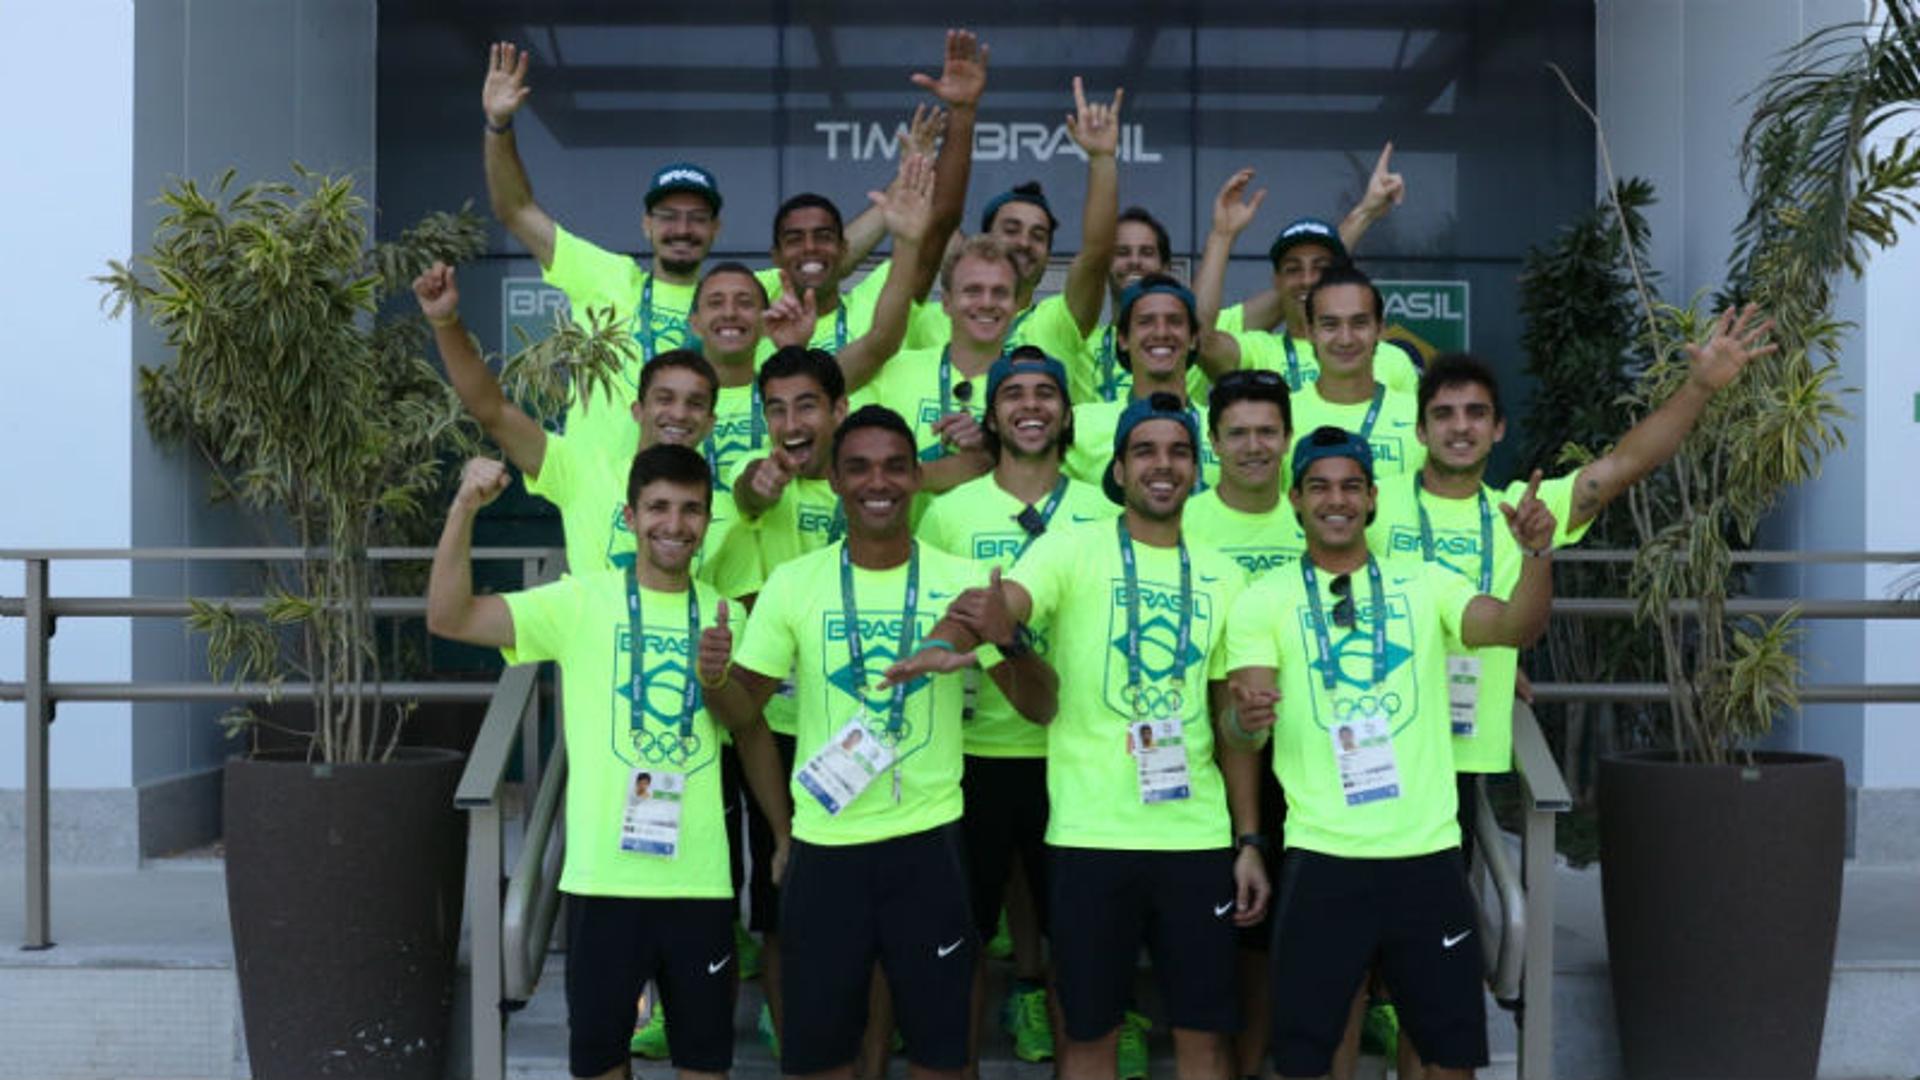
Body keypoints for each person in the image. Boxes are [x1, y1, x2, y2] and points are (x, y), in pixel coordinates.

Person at [890, 393, 1270, 1080]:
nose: (1163, 466)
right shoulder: (1072, 548)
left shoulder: (1226, 574)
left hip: (1195, 838)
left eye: (1178, 452)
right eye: (1145, 452)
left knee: (1203, 1038)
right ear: (1119, 470)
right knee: (1088, 1033)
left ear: (1196, 467)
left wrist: (1247, 835)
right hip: (1090, 838)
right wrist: (955, 641)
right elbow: (1004, 602)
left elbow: (1232, 728)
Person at [427, 447, 791, 1080]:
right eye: (657, 508)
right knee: (600, 1063)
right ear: (629, 516)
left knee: (705, 1063)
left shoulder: (728, 612)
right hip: (600, 882)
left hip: (700, 883)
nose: (673, 524)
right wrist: (463, 509)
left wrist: (784, 836)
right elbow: (450, 616)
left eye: (690, 510)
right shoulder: (579, 602)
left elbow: (749, 728)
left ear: (708, 520)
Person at [1223, 425, 1560, 1080]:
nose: (1336, 500)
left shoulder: (1425, 581)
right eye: (1319, 486)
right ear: (1295, 499)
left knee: (1450, 1055)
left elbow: (1513, 626)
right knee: (1305, 1059)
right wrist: (1242, 720)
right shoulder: (1263, 600)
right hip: (1323, 857)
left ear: (1374, 497)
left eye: (1351, 486)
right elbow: (1245, 732)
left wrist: (1537, 555)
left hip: (1425, 856)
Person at [703, 406, 989, 1080]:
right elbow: (745, 713)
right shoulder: (794, 584)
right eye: (857, 467)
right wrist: (712, 676)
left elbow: (1042, 702)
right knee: (818, 1058)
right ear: (833, 480)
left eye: (895, 465)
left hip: (931, 843)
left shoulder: (963, 580)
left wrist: (999, 639)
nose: (877, 482)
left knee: (942, 1057)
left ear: (918, 477)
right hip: (827, 850)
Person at [915, 348, 1117, 1066]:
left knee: (1078, 942)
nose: (1030, 406)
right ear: (992, 415)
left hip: (1076, 753)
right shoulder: (947, 513)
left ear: (1066, 413)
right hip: (972, 756)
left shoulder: (1102, 509)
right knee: (961, 936)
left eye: (1045, 394)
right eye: (1014, 396)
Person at [411, 262, 762, 596]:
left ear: (711, 422)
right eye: (665, 399)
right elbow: (493, 410)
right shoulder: (583, 473)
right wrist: (445, 322)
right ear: (638, 411)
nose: (679, 413)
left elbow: (743, 630)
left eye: (695, 404)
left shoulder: (727, 513)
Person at [863, 76, 1123, 495]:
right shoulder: (920, 333)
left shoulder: (1053, 325)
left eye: (1038, 235)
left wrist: (1102, 161)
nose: (1024, 242)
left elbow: (1095, 256)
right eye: (1012, 229)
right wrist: (959, 119)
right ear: (947, 300)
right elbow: (940, 222)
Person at [1195, 147, 1419, 392]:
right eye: (1293, 269)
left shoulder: (1392, 362)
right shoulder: (1259, 352)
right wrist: (1222, 236)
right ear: (1276, 281)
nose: (1307, 279)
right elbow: (1199, 341)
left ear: (1338, 277)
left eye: (1321, 268)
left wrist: (1366, 212)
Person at [1062, 275, 1225, 491]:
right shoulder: (1080, 425)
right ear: (1123, 339)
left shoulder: (1225, 430)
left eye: (1174, 321)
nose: (1161, 332)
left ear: (1194, 339)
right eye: (1146, 322)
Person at [1281, 266, 1425, 482]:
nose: (1346, 339)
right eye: (1330, 325)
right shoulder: (1281, 418)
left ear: (1379, 329)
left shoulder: (1421, 418)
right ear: (1310, 332)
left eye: (1359, 323)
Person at [1185, 368, 1307, 579]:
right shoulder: (1182, 522)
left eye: (1267, 432)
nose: (1253, 447)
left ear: (1287, 439)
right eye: (1237, 434)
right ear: (1214, 442)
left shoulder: (1313, 524)